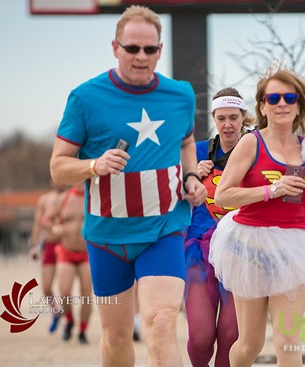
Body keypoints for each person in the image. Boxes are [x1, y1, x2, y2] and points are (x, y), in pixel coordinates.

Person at [49, 5, 207, 366]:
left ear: (160, 51)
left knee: (162, 322)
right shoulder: (85, 98)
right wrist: (93, 165)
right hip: (107, 236)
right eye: (132, 48)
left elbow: (185, 141)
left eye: (149, 49)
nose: (141, 56)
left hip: (163, 229)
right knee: (117, 337)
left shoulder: (180, 94)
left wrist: (192, 176)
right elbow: (58, 169)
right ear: (115, 47)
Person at [208, 66, 305, 367]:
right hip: (250, 244)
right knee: (250, 345)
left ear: (298, 104)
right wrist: (272, 190)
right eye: (273, 98)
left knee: (287, 340)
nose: (282, 103)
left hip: (295, 246)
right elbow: (223, 195)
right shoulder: (251, 142)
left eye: (290, 97)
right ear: (262, 106)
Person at [184, 87, 253, 367]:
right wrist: (191, 178)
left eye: (233, 118)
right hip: (200, 251)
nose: (227, 124)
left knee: (231, 335)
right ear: (214, 118)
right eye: (221, 118)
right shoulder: (197, 151)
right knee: (201, 338)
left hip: (243, 251)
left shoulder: (255, 151)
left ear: (243, 117)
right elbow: (174, 200)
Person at [51, 182, 92, 344]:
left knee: (86, 295)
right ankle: (69, 320)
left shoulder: (93, 196)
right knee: (64, 292)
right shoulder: (63, 198)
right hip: (66, 250)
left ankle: (82, 330)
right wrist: (55, 228)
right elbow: (49, 220)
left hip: (87, 252)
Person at [29, 181, 67, 332]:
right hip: (50, 244)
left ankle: (69, 319)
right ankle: (56, 311)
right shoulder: (44, 200)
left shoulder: (72, 197)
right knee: (46, 287)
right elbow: (38, 223)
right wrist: (33, 246)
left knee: (65, 287)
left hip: (66, 244)